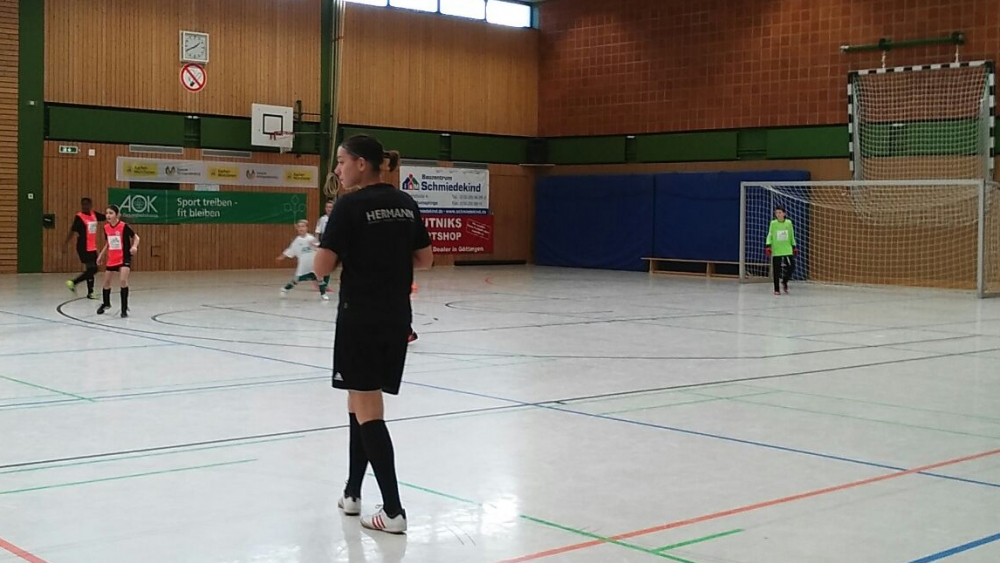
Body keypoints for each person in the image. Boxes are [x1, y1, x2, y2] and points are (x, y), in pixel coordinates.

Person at [314, 134, 433, 534]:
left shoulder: (348, 206)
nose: (337, 169)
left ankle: (394, 511)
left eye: (341, 161)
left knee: (368, 411)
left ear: (361, 164)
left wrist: (334, 245)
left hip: (360, 319)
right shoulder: (406, 202)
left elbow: (321, 268)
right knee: (358, 401)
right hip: (397, 318)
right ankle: (352, 492)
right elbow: (426, 259)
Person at [96, 205, 140, 317]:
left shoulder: (124, 226)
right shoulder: (106, 228)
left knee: (123, 281)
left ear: (117, 215)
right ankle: (106, 303)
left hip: (124, 257)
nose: (108, 215)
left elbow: (136, 237)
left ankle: (124, 309)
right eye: (107, 213)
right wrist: (101, 255)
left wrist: (134, 246)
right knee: (106, 282)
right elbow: (108, 243)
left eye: (111, 213)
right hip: (112, 258)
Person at [277, 219, 329, 301]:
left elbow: (320, 247)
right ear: (297, 229)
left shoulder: (311, 238)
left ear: (306, 228)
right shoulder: (296, 241)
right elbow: (290, 250)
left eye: (303, 226)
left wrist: (315, 246)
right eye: (299, 227)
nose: (301, 228)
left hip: (314, 263)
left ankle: (323, 294)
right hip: (303, 264)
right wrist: (281, 257)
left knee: (320, 278)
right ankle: (285, 289)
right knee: (296, 279)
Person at [64, 198, 106, 299]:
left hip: (92, 246)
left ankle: (90, 292)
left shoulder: (94, 214)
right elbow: (72, 231)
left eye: (87, 204)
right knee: (93, 269)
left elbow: (105, 217)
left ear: (91, 205)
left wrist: (118, 216)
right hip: (83, 246)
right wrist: (65, 244)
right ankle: (74, 282)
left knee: (90, 269)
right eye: (83, 205)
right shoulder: (79, 217)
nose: (85, 207)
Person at [765, 205, 797, 295]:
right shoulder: (773, 223)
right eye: (776, 213)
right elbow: (770, 234)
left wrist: (794, 246)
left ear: (784, 214)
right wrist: (768, 245)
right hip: (777, 249)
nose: (778, 214)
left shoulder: (788, 223)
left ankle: (784, 281)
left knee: (791, 267)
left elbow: (791, 235)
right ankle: (776, 289)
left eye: (780, 212)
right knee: (776, 270)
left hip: (787, 248)